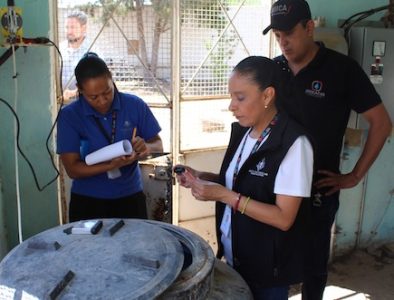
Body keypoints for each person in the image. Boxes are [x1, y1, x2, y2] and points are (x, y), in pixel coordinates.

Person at [262, 1, 393, 299]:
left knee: (313, 264)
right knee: (272, 258)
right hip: (273, 185)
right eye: (277, 35)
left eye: (289, 34)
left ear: (309, 28)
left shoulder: (341, 69)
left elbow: (381, 123)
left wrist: (354, 176)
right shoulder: (273, 69)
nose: (283, 42)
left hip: (318, 188)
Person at [175, 56, 314, 299]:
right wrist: (202, 178)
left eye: (240, 98)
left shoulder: (294, 144)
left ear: (267, 95)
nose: (232, 106)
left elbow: (284, 218)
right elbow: (240, 181)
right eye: (232, 97)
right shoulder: (245, 132)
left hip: (268, 269)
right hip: (236, 256)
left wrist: (225, 196)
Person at [57, 52, 163, 222]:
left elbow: (158, 145)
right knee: (91, 248)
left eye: (107, 92)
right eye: (93, 97)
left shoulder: (134, 105)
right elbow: (73, 169)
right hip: (88, 202)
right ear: (80, 89)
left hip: (130, 197)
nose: (102, 101)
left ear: (111, 78)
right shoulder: (70, 116)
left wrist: (146, 148)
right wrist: (111, 165)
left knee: (134, 247)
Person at [60, 10, 91, 102]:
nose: (69, 31)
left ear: (83, 28)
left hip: (83, 104)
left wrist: (73, 93)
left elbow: (98, 80)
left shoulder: (92, 50)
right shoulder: (59, 48)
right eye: (67, 27)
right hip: (60, 105)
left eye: (73, 27)